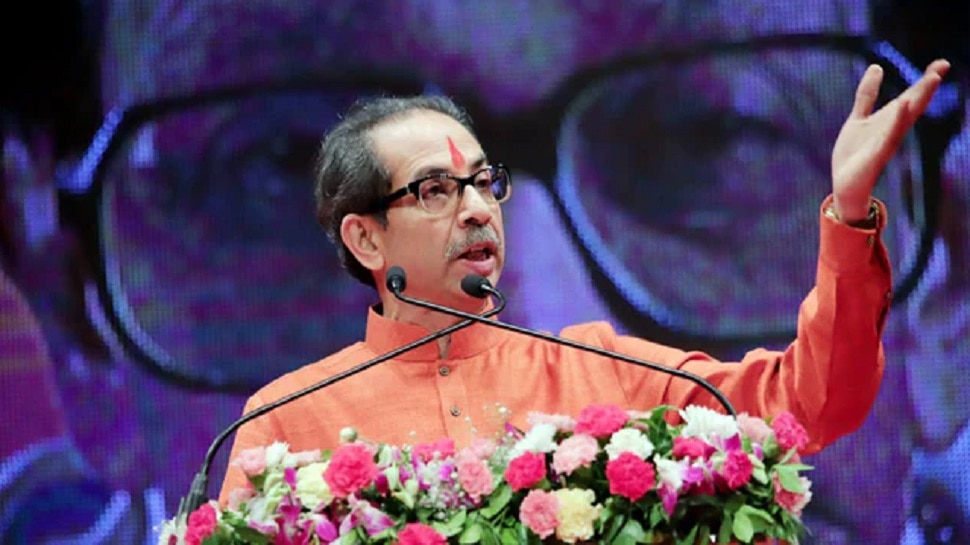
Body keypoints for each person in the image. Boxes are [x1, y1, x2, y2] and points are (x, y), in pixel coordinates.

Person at [218, 58, 951, 503]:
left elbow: (808, 403)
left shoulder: (601, 373)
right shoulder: (286, 423)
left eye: (484, 184)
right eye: (436, 190)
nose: (478, 210)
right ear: (366, 237)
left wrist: (847, 213)